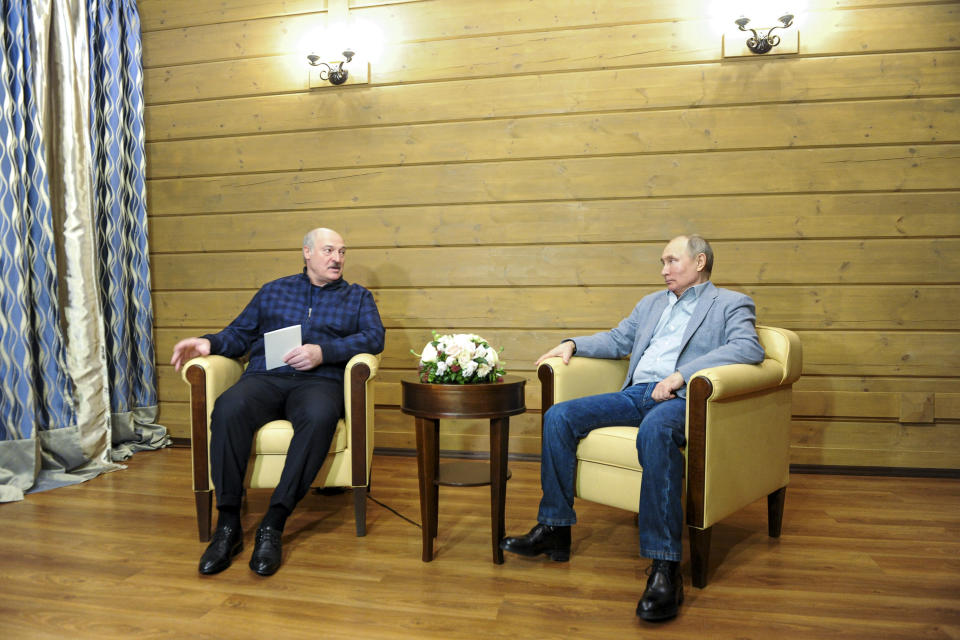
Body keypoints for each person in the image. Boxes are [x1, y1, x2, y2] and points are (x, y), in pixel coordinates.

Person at [500, 234, 764, 621]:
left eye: (672, 261)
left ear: (700, 261)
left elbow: (748, 347)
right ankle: (554, 527)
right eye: (662, 262)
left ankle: (664, 568)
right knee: (559, 416)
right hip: (636, 393)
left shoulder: (729, 303)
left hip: (680, 399)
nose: (664, 270)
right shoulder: (651, 303)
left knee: (655, 433)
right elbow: (618, 338)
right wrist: (572, 343)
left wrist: (681, 376)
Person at [171, 228, 385, 577]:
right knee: (228, 407)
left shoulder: (358, 297)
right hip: (266, 377)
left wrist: (323, 352)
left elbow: (374, 338)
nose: (337, 258)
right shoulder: (274, 291)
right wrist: (209, 343)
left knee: (318, 417)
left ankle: (274, 522)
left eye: (342, 252)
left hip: (320, 381)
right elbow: (240, 333)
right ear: (307, 253)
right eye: (329, 250)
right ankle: (228, 526)